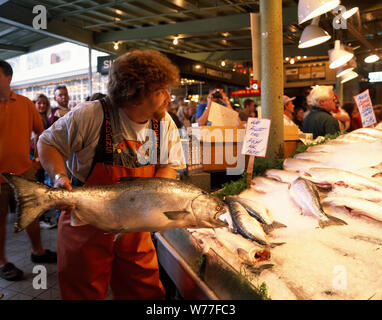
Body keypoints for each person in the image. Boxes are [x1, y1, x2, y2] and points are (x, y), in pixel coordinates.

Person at [37, 50, 185, 300]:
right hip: (84, 223)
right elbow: (47, 143)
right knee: (82, 292)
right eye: (160, 91)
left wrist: (159, 193)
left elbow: (170, 165)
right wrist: (60, 177)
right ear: (134, 95)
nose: (169, 98)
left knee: (144, 292)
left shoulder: (164, 122)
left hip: (136, 228)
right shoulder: (92, 115)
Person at [0, 60, 57, 282]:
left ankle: (38, 252)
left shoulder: (24, 103)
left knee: (31, 214)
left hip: (24, 172)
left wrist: (37, 161)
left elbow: (41, 134)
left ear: (8, 78)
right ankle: (3, 262)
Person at [31, 94, 56, 229]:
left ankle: (40, 218)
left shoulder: (44, 118)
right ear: (34, 104)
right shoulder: (35, 118)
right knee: (37, 188)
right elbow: (35, 141)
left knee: (40, 187)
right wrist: (36, 159)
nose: (42, 106)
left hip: (40, 157)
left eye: (44, 103)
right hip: (35, 159)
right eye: (39, 103)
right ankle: (39, 219)